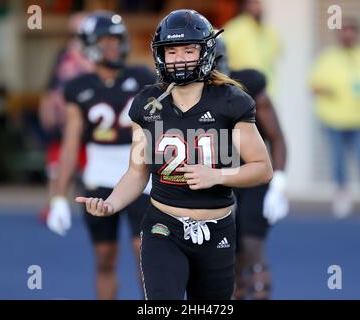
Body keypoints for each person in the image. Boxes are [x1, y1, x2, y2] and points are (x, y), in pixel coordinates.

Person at [76, 9, 273, 300]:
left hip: (217, 228)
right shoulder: (148, 103)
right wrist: (110, 204)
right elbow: (137, 171)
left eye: (188, 50)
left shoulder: (231, 101)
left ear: (205, 51)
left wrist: (216, 175)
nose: (179, 58)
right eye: (171, 51)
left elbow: (261, 168)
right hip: (163, 226)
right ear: (160, 55)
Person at [46, 11, 157, 299]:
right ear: (90, 45)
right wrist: (58, 196)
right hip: (98, 177)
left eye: (116, 40)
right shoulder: (79, 87)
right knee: (105, 257)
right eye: (105, 41)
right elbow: (71, 144)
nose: (112, 47)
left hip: (139, 175)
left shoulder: (142, 77)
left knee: (144, 255)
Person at [215, 38, 288, 299]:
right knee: (226, 255)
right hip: (216, 180)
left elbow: (276, 136)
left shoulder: (249, 85)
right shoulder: (186, 93)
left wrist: (279, 182)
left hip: (252, 176)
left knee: (252, 246)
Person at [309, 18, 360, 218]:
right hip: (334, 119)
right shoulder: (328, 57)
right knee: (338, 161)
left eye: (351, 31)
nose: (347, 35)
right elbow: (313, 85)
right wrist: (328, 90)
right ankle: (342, 195)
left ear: (357, 34)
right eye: (344, 31)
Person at [38, 12, 92, 223]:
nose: (76, 36)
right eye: (74, 32)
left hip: (88, 123)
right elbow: (52, 85)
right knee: (56, 165)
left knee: (88, 170)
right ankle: (54, 203)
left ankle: (95, 206)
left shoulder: (93, 54)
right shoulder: (63, 53)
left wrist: (80, 55)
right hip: (63, 121)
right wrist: (47, 108)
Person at [222, 0, 281, 96]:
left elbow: (277, 52)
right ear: (245, 5)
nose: (258, 7)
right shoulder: (233, 30)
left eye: (259, 3)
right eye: (254, 2)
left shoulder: (268, 32)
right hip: (243, 92)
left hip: (266, 92)